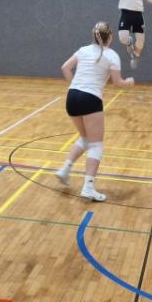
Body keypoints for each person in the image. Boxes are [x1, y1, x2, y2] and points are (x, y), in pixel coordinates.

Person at [55, 22, 134, 201]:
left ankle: (65, 169)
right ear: (110, 37)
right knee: (96, 144)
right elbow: (117, 82)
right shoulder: (112, 55)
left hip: (72, 96)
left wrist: (76, 85)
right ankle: (88, 187)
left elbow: (65, 67)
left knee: (85, 138)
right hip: (90, 99)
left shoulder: (83, 50)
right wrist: (129, 82)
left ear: (94, 35)